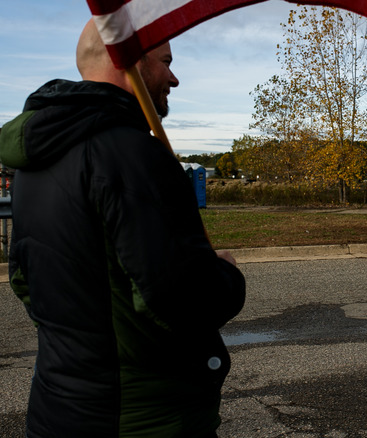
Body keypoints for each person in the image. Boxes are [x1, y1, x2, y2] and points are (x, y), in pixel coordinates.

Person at [0, 20, 246, 437]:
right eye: (165, 61)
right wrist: (225, 274)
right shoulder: (133, 155)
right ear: (127, 61)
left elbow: (24, 279)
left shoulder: (33, 163)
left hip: (58, 407)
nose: (174, 76)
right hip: (140, 416)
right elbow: (177, 300)